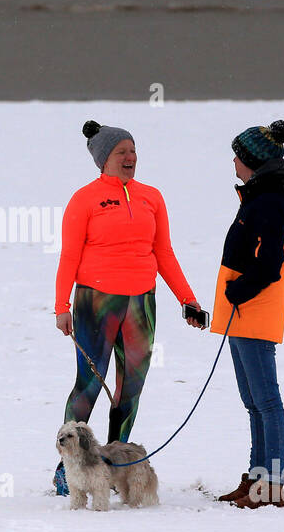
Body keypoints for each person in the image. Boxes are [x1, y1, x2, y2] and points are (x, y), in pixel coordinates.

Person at [52, 120, 205, 494]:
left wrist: (188, 299)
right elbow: (69, 254)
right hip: (95, 302)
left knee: (130, 388)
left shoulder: (151, 196)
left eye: (133, 151)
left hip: (141, 302)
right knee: (89, 385)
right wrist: (62, 305)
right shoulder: (84, 199)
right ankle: (67, 468)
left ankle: (115, 462)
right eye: (121, 152)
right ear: (104, 159)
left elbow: (163, 252)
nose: (130, 157)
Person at [211, 120, 284, 509]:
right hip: (242, 312)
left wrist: (238, 291)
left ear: (250, 162)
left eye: (237, 155)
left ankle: (271, 486)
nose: (233, 160)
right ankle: (257, 479)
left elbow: (271, 264)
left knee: (266, 401)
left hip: (255, 311)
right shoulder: (261, 198)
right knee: (253, 401)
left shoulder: (270, 203)